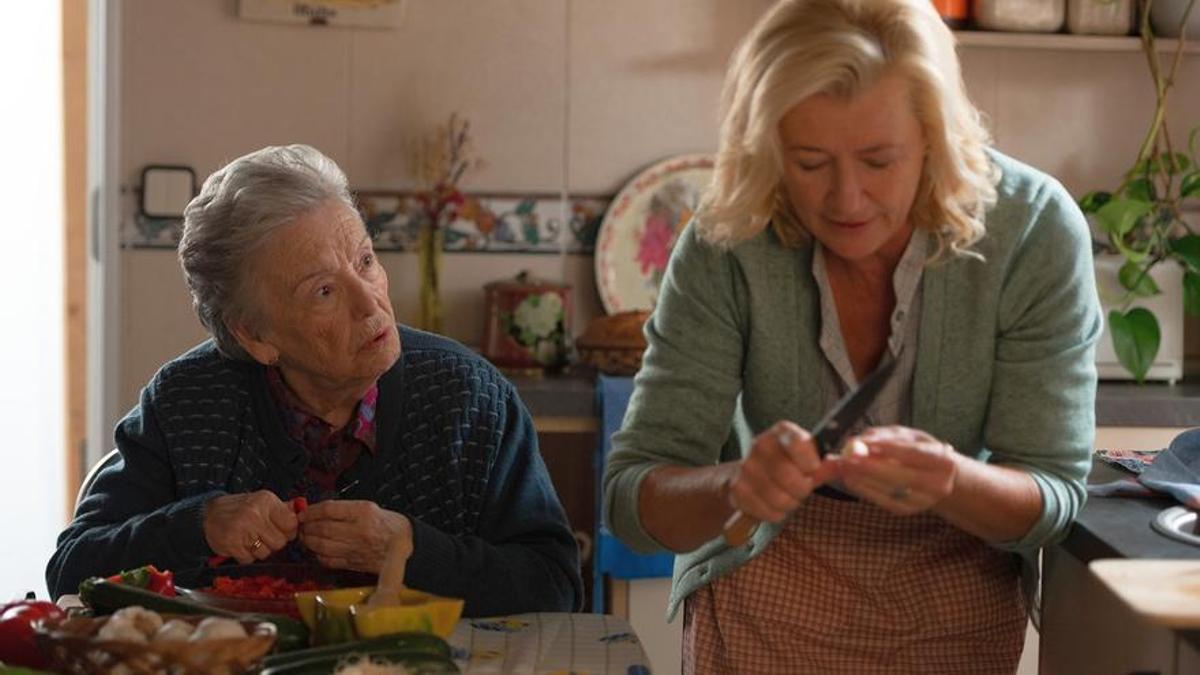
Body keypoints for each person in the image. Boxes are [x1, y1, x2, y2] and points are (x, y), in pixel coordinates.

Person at [602, 0, 1101, 672]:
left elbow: (1054, 496)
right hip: (763, 601)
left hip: (959, 599)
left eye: (878, 160)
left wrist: (950, 480)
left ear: (935, 136)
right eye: (809, 162)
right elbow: (631, 498)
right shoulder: (730, 237)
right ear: (769, 143)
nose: (846, 199)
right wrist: (736, 486)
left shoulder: (1032, 230)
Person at [47, 144, 583, 617]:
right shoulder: (188, 403)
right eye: (323, 291)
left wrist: (410, 549)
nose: (370, 300)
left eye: (366, 260)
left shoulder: (469, 397)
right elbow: (71, 572)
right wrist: (198, 526)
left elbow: (555, 583)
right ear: (255, 335)